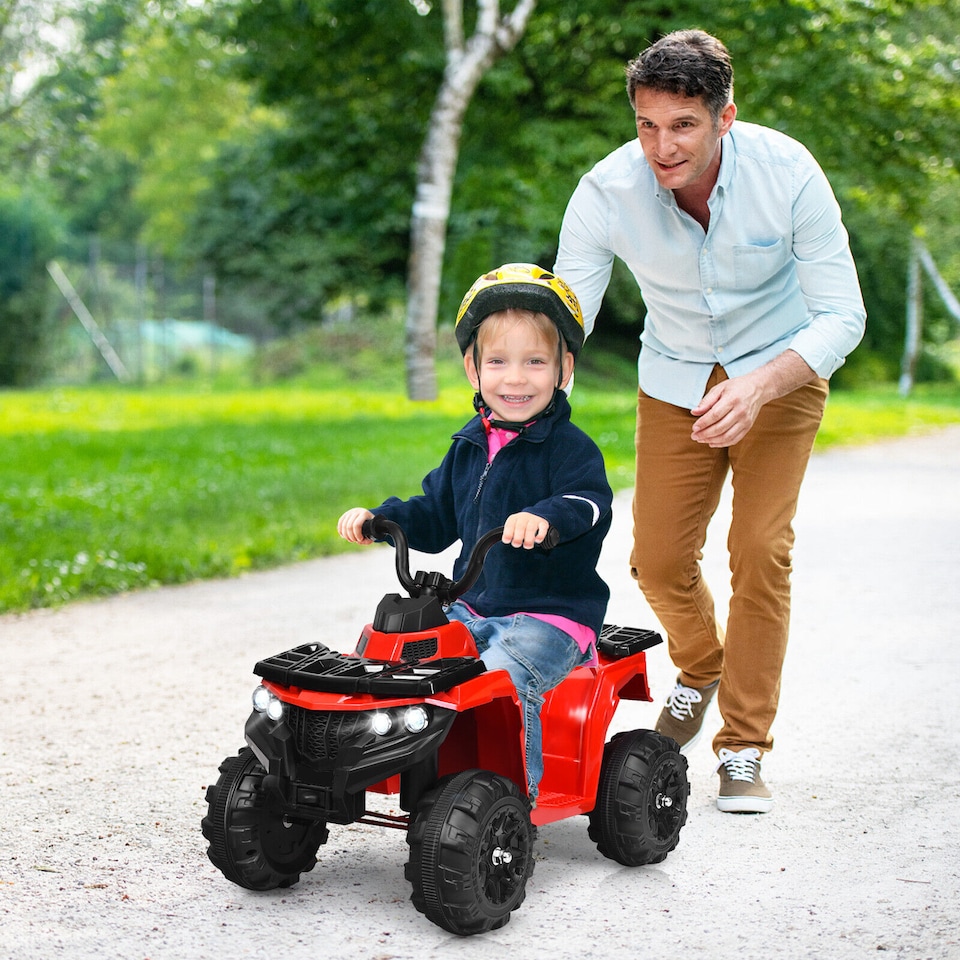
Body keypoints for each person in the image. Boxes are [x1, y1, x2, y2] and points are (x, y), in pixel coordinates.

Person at [554, 29, 866, 813]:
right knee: (657, 561)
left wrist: (759, 386)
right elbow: (565, 316)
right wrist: (530, 391)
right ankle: (701, 666)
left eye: (684, 125)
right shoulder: (607, 191)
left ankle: (744, 746)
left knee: (760, 550)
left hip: (782, 374)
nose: (662, 147)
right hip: (675, 380)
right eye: (647, 124)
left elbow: (843, 314)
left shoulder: (787, 172)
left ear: (725, 117)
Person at [338, 263, 612, 805]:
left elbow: (588, 503)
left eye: (535, 362)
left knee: (505, 680)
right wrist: (382, 520)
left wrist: (547, 518)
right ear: (473, 369)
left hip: (551, 616)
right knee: (398, 660)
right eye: (498, 362)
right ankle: (387, 767)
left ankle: (508, 802)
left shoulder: (570, 449)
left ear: (564, 368)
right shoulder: (468, 446)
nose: (516, 378)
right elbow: (436, 514)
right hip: (473, 607)